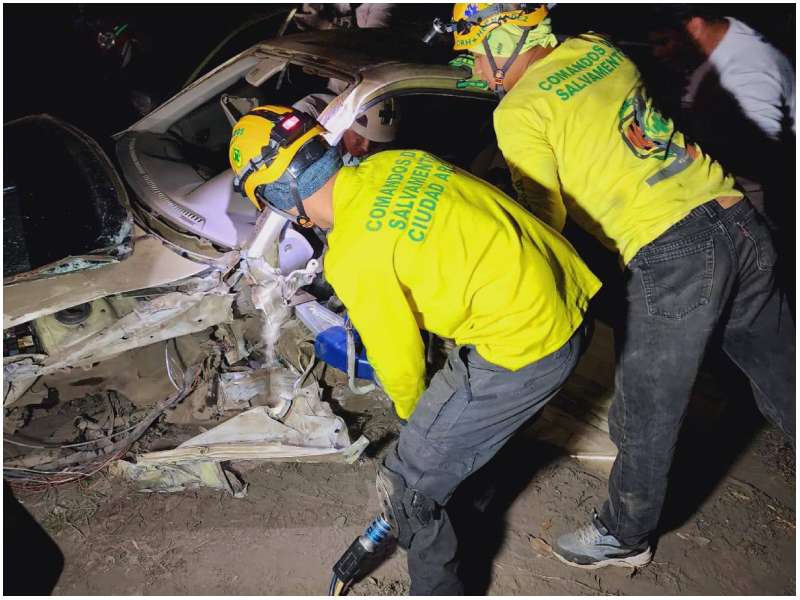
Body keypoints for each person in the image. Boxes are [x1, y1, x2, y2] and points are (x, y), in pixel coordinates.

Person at [437, 3, 796, 570]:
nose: (478, 72)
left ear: (503, 40)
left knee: (645, 408)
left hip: (674, 251)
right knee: (783, 372)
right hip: (735, 216)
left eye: (476, 57)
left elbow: (546, 219)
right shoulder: (599, 49)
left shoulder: (519, 111)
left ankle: (624, 534)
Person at [229, 104, 601, 593]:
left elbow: (401, 365)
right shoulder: (398, 162)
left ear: (277, 196)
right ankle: (464, 499)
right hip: (570, 293)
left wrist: (416, 424)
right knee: (452, 444)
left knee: (408, 484)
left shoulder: (353, 254)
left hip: (525, 343)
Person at [292, 93, 399, 165]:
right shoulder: (306, 116)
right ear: (345, 123)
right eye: (360, 137)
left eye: (374, 142)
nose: (365, 147)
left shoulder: (379, 145)